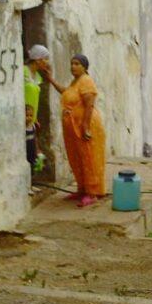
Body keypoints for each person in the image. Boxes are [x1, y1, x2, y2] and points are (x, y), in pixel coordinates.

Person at [43, 54, 107, 208]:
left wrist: (85, 126)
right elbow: (66, 92)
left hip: (86, 125)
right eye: (72, 63)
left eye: (77, 64)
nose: (73, 67)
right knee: (77, 158)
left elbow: (89, 105)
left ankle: (92, 193)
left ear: (85, 67)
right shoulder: (75, 81)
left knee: (89, 158)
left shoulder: (86, 81)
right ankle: (82, 189)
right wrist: (51, 80)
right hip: (73, 125)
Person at [25, 44, 50, 128]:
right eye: (46, 59)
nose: (47, 62)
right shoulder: (23, 71)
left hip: (30, 120)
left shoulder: (38, 77)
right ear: (38, 60)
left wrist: (35, 119)